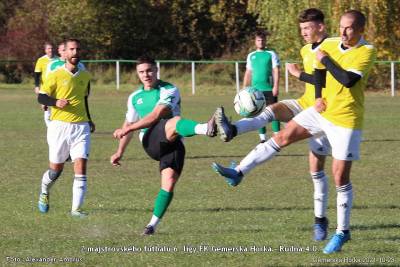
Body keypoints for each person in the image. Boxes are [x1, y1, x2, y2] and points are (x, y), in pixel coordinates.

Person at [213, 10, 376, 254]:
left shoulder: (366, 51)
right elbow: (320, 73)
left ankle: (342, 232)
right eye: (341, 27)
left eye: (349, 28)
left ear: (360, 30)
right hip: (321, 112)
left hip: (346, 120)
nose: (342, 32)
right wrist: (319, 97)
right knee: (281, 136)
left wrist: (322, 60)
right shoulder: (329, 44)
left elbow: (347, 80)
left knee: (339, 177)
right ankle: (238, 171)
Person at [215, 8, 332, 242]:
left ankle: (320, 220)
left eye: (307, 28)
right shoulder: (305, 49)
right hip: (306, 103)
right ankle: (233, 130)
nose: (304, 34)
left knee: (316, 171)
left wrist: (298, 75)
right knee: (271, 110)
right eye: (302, 30)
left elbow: (328, 79)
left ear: (321, 26)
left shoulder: (332, 47)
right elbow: (316, 84)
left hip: (327, 112)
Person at [110, 55, 217, 235]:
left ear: (156, 70)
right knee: (175, 121)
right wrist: (119, 150)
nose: (146, 75)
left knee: (168, 183)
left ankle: (151, 225)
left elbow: (156, 114)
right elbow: (131, 124)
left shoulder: (169, 89)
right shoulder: (135, 97)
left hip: (173, 143)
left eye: (149, 70)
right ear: (137, 74)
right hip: (151, 141)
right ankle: (206, 128)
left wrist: (128, 129)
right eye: (142, 72)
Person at [37, 39, 95, 217]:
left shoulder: (85, 76)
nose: (75, 52)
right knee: (56, 170)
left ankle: (76, 210)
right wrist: (56, 102)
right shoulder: (55, 74)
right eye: (72, 49)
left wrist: (89, 119)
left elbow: (84, 99)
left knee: (81, 165)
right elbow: (41, 98)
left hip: (81, 126)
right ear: (65, 53)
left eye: (78, 49)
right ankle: (45, 190)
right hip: (59, 127)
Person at [243, 30, 280, 142]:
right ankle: (263, 139)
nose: (261, 42)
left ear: (265, 41)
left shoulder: (271, 54)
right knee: (258, 113)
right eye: (259, 40)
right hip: (255, 90)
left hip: (269, 88)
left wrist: (276, 86)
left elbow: (276, 70)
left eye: (263, 40)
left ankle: (277, 136)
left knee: (274, 112)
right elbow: (248, 72)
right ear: (255, 42)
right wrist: (245, 87)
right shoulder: (251, 55)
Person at [34, 42, 56, 126]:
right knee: (45, 107)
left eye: (52, 48)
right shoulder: (41, 60)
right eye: (48, 48)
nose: (50, 50)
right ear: (45, 50)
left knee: (56, 105)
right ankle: (49, 126)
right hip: (45, 88)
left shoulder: (58, 59)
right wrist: (36, 86)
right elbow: (37, 74)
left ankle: (55, 124)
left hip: (56, 87)